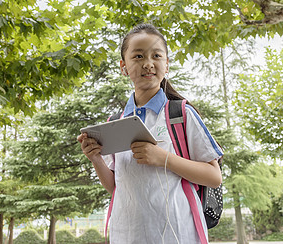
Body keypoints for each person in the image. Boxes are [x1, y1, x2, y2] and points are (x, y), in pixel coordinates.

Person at [77, 23, 223, 244]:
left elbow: (214, 177)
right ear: (123, 66)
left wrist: (163, 158)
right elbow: (116, 186)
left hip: (178, 234)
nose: (148, 64)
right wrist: (95, 157)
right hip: (126, 235)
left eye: (156, 55)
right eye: (137, 56)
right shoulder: (115, 123)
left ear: (166, 64)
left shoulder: (180, 114)